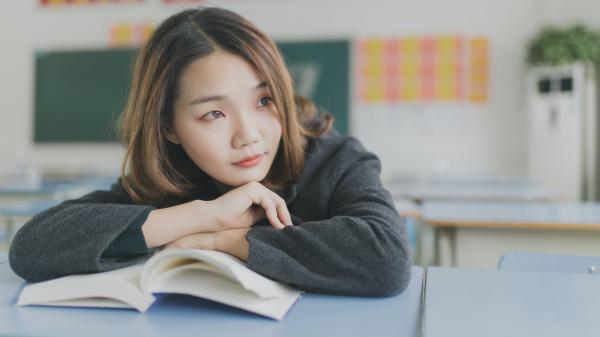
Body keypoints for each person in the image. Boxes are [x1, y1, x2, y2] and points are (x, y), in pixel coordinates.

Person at [9, 7, 411, 296]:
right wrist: (204, 215)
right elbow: (32, 247)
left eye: (264, 100)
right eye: (214, 113)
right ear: (168, 126)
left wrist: (225, 241)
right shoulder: (171, 181)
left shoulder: (334, 160)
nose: (248, 136)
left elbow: (387, 258)